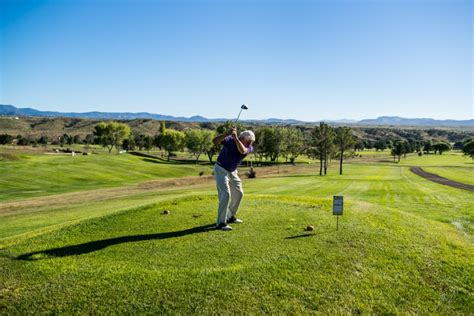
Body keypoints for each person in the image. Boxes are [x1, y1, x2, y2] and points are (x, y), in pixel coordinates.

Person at [212, 128, 255, 231]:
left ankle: (230, 216)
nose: (250, 143)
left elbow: (242, 150)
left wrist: (235, 138)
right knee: (225, 195)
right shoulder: (229, 139)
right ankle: (221, 223)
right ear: (243, 138)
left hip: (232, 171)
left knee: (239, 193)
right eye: (248, 141)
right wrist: (226, 133)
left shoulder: (248, 147)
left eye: (251, 142)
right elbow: (214, 141)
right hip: (221, 169)